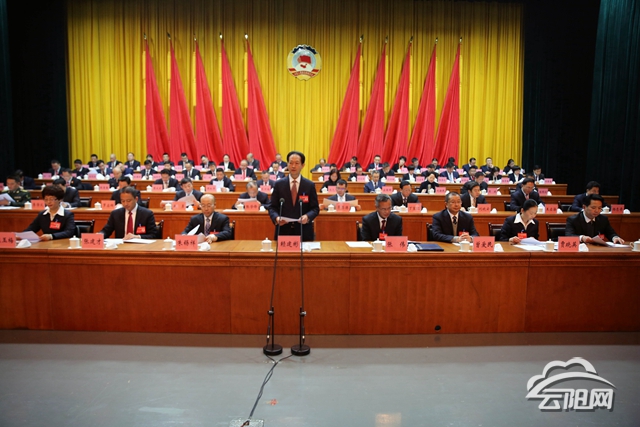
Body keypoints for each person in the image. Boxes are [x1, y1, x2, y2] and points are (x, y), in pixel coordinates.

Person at [268, 151, 319, 241]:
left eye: (297, 163)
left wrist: (307, 217)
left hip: (303, 232)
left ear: (303, 165)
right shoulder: (279, 184)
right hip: (283, 231)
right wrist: (276, 218)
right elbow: (272, 207)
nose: (293, 166)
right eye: (291, 163)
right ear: (287, 165)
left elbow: (315, 208)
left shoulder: (309, 185)